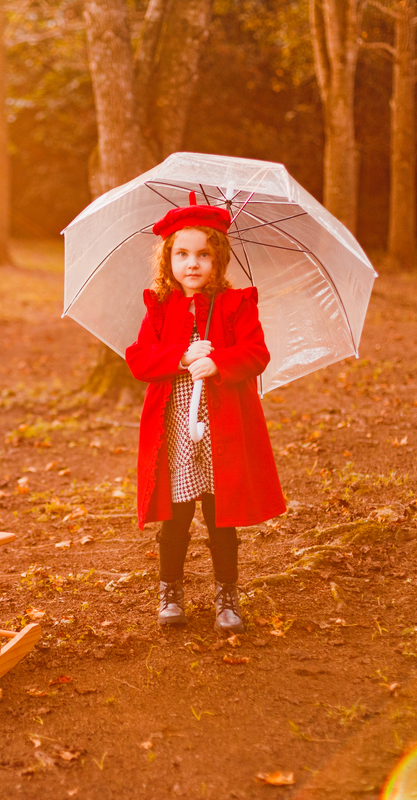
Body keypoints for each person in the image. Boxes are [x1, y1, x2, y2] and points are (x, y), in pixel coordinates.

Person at [125, 193, 286, 634]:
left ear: (219, 259)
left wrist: (219, 362)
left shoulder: (237, 304)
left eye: (202, 254)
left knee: (221, 517)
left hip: (221, 429)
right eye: (181, 254)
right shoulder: (159, 307)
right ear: (168, 259)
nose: (191, 263)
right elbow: (139, 359)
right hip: (175, 427)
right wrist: (180, 355)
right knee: (174, 518)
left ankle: (226, 595)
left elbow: (257, 353)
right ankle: (170, 590)